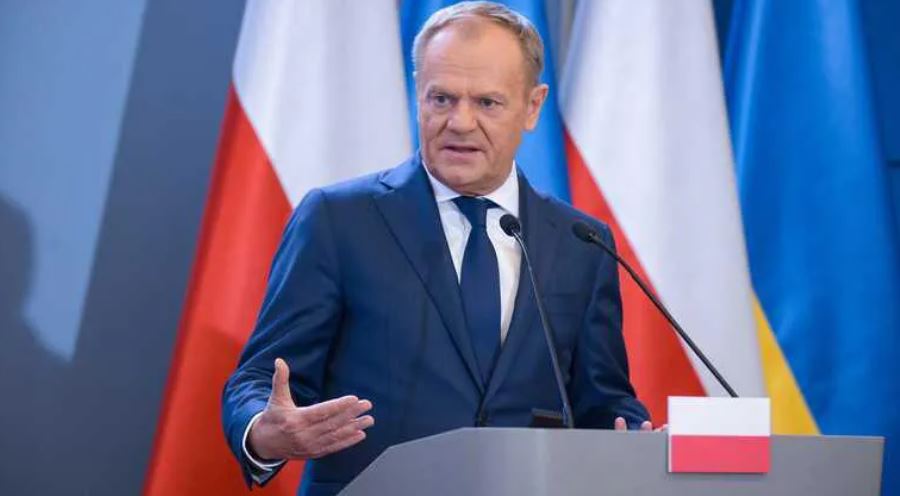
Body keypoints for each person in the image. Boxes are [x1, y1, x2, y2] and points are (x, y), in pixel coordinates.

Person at [222, 2, 652, 494]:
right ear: (418, 94)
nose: (460, 122)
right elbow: (261, 378)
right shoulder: (338, 220)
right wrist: (264, 433)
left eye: (487, 103)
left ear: (533, 106)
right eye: (442, 98)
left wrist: (637, 444)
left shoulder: (581, 243)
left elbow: (603, 402)